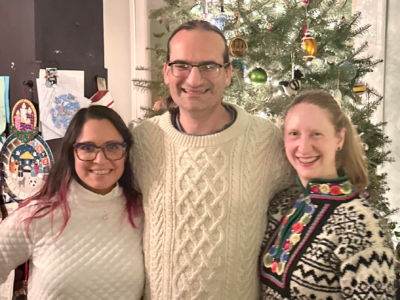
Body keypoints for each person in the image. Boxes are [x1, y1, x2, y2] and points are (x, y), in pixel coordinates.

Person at [131, 20, 293, 300]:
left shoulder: (265, 140)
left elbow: (314, 194)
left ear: (228, 73)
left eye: (209, 66)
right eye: (182, 65)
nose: (194, 80)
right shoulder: (142, 141)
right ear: (167, 72)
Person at [259, 91, 396, 299]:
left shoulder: (363, 224)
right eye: (294, 133)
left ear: (339, 138)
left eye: (316, 134)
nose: (303, 147)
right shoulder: (282, 204)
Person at [0, 106, 144, 300]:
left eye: (112, 147)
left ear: (125, 153)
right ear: (71, 152)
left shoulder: (141, 213)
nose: (100, 160)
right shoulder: (38, 215)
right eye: (87, 148)